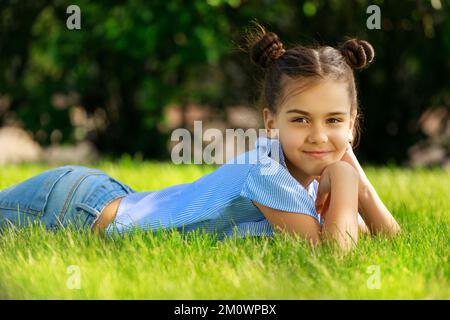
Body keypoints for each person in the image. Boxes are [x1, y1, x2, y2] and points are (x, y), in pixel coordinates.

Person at [0, 23, 401, 252]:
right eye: (300, 119)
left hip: (105, 195)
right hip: (72, 210)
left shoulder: (302, 173)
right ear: (270, 122)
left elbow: (386, 237)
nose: (319, 135)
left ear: (353, 123)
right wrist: (348, 182)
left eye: (334, 121)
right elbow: (334, 255)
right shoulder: (265, 171)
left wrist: (357, 179)